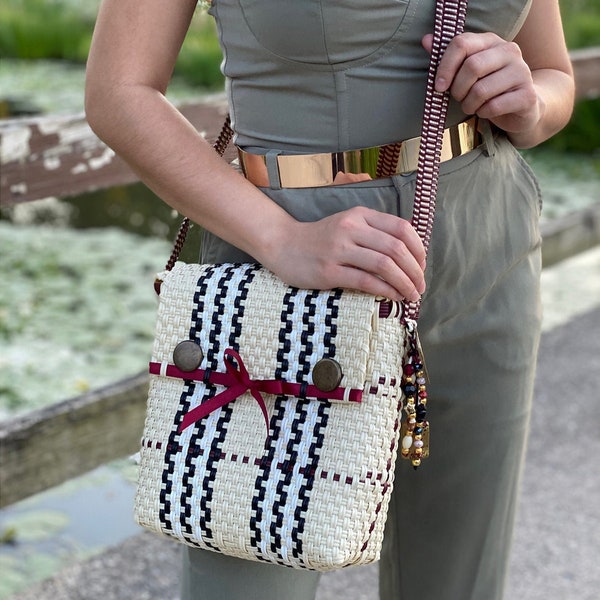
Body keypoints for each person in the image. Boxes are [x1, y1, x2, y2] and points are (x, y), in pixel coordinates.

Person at [85, 1, 574, 598]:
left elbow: (555, 76)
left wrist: (529, 101)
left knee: (462, 583)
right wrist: (281, 238)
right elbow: (119, 91)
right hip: (289, 287)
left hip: (487, 257)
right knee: (250, 576)